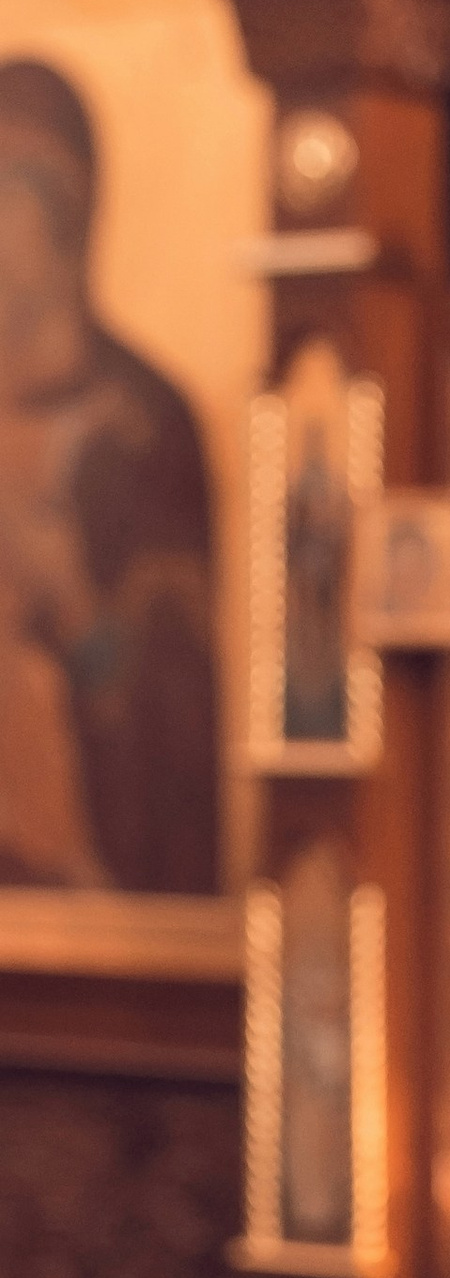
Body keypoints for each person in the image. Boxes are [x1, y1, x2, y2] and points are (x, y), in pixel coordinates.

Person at [0, 57, 219, 893]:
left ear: (63, 213)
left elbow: (174, 703)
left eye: (10, 191)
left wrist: (70, 606)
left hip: (93, 872)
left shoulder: (141, 427)